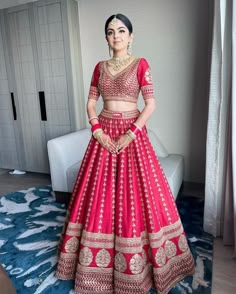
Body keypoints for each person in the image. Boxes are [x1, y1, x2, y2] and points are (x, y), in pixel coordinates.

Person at [55, 13, 195, 294]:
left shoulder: (141, 64)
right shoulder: (99, 67)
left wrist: (132, 133)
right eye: (110, 31)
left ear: (131, 36)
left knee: (137, 196)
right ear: (106, 37)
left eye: (121, 31)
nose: (116, 35)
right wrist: (98, 132)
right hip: (102, 134)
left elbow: (151, 104)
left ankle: (139, 265)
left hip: (133, 134)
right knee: (99, 194)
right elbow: (91, 103)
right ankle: (95, 267)